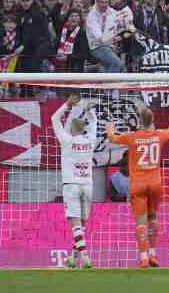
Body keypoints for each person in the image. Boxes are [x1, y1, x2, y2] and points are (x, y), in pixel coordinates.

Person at [105, 106, 169, 268]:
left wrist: (109, 129)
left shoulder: (132, 137)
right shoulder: (159, 135)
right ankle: (153, 254)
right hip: (155, 183)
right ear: (152, 121)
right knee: (153, 218)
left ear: (139, 121)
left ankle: (144, 257)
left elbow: (112, 138)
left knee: (141, 222)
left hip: (138, 184)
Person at [50, 93, 98, 268]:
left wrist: (66, 104)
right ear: (82, 129)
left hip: (71, 185)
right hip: (88, 185)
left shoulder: (67, 140)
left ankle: (85, 257)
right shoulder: (90, 141)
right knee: (82, 226)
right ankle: (73, 257)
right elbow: (94, 124)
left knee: (76, 224)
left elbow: (54, 120)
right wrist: (89, 111)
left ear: (72, 129)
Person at [86, 0, 125, 73]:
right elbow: (100, 37)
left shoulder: (110, 11)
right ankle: (112, 85)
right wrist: (113, 40)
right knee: (117, 64)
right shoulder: (92, 16)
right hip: (97, 46)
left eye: (106, 2)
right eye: (102, 2)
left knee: (110, 67)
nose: (105, 5)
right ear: (96, 2)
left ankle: (101, 75)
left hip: (109, 45)